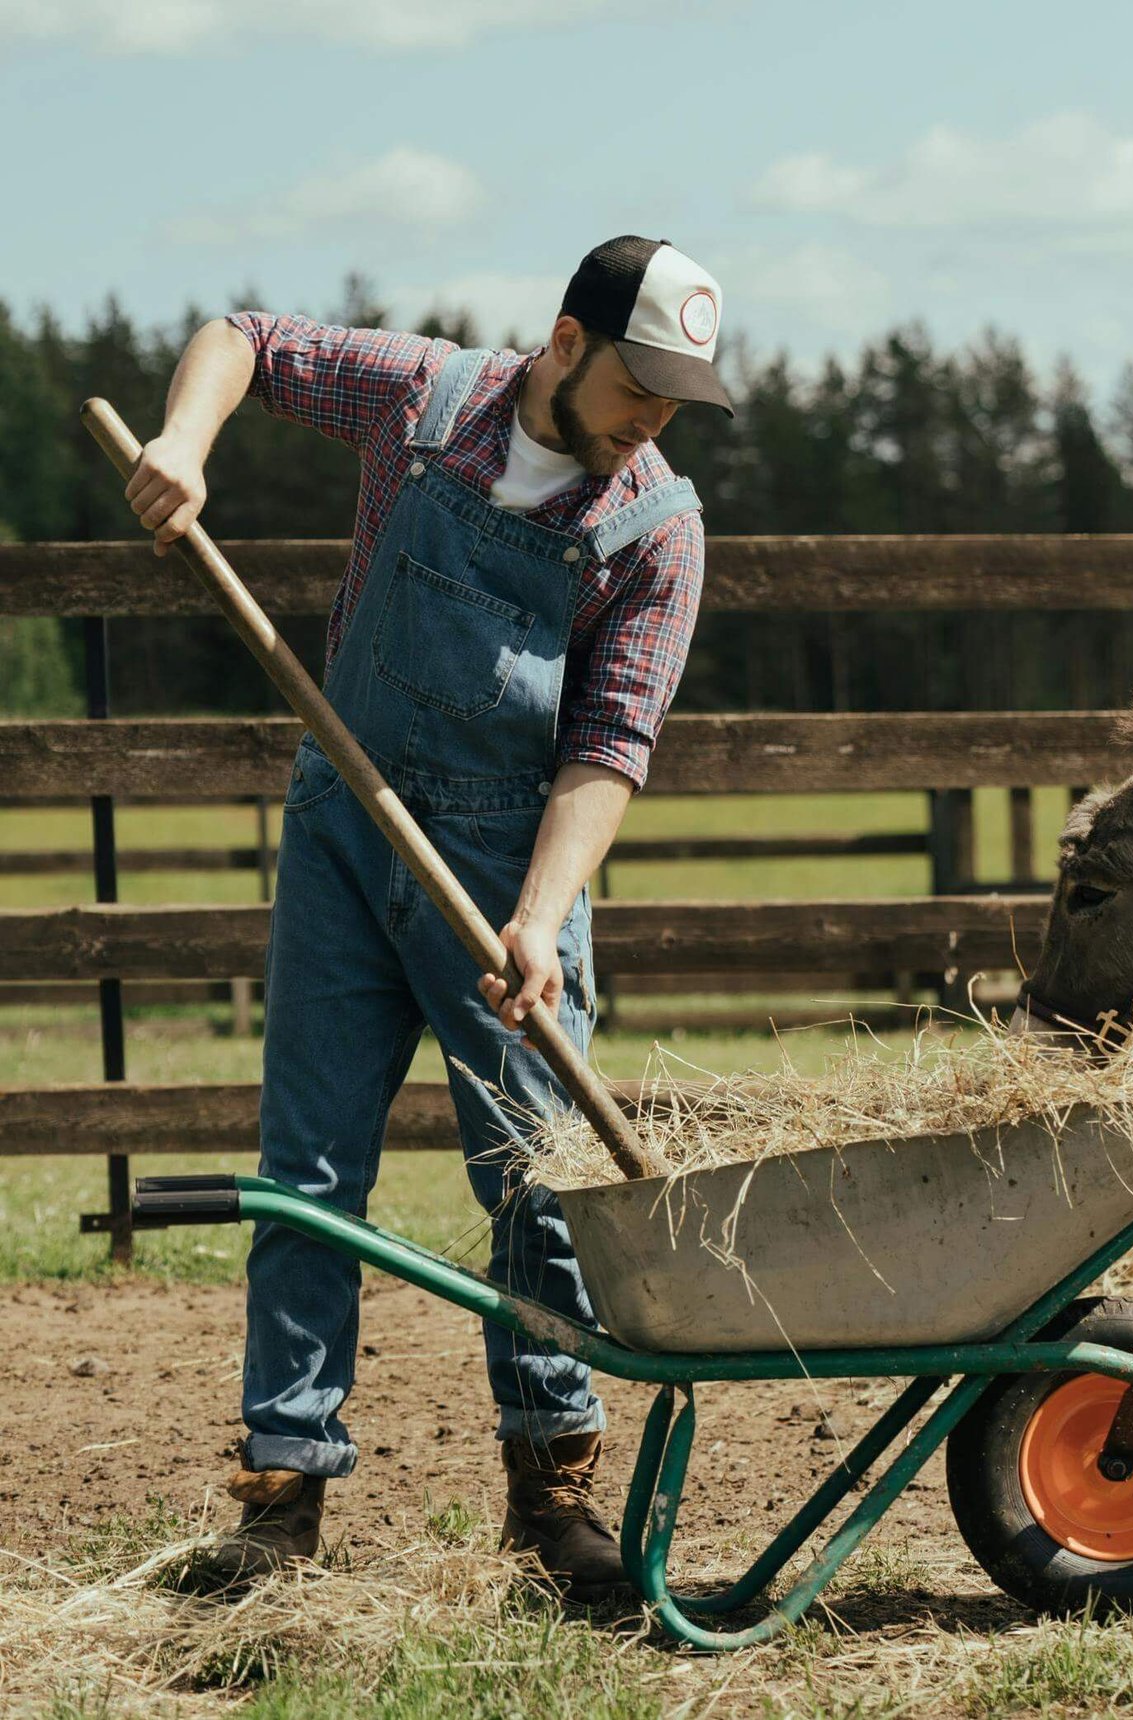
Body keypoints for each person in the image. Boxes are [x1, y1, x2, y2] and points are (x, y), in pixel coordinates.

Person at [123, 236, 732, 1599]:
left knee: (537, 1189)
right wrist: (184, 441)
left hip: (509, 879)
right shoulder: (424, 403)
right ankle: (280, 1498)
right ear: (569, 343)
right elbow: (247, 340)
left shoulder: (655, 528)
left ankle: (554, 1494)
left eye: (679, 399)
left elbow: (607, 749)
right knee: (307, 1176)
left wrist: (538, 921)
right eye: (643, 382)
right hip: (346, 829)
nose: (655, 420)